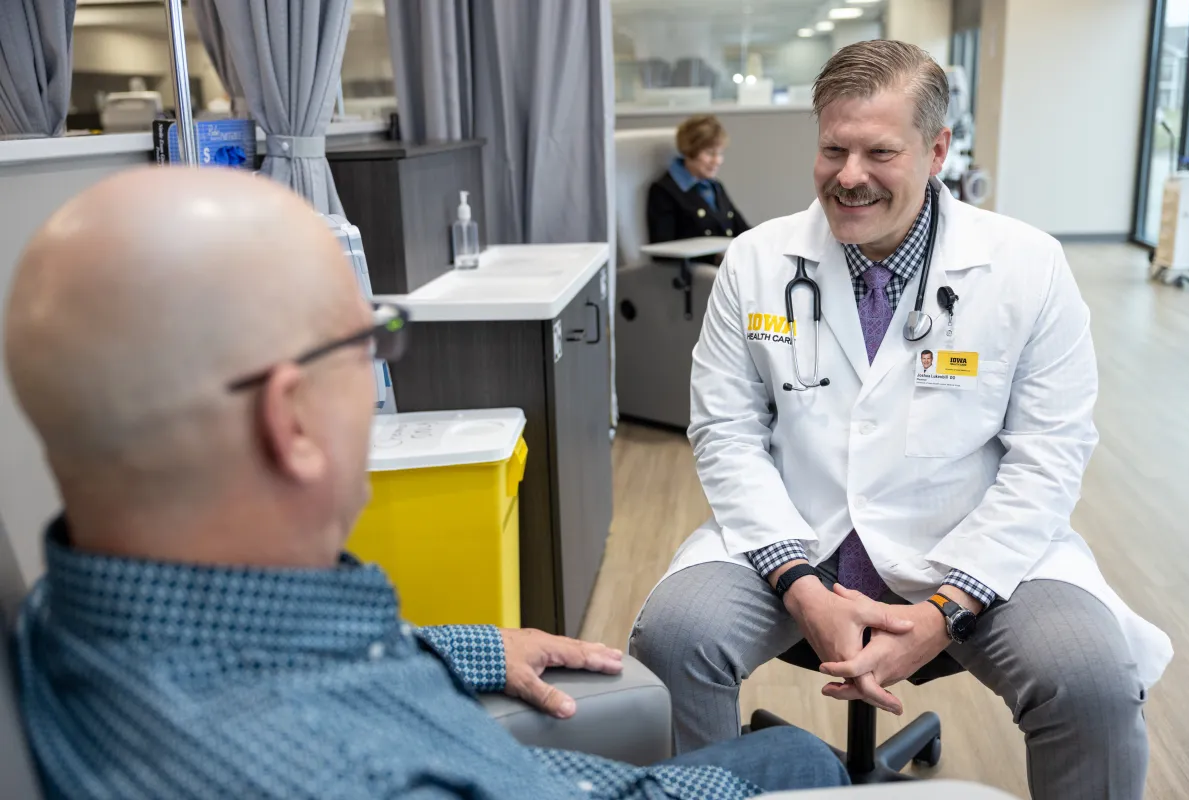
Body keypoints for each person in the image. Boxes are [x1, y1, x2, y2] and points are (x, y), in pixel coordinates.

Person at [5, 167, 850, 799]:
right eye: (367, 341)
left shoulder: (77, 613)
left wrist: (458, 646)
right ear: (289, 421)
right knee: (801, 759)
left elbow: (261, 646)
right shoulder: (336, 776)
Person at [628, 40, 1173, 800]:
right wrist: (799, 584)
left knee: (1091, 681)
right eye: (833, 149)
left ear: (937, 150)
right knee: (674, 639)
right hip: (795, 540)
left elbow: (1050, 454)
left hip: (971, 553)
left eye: (880, 152)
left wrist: (947, 610)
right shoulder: (755, 262)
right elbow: (726, 433)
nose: (849, 175)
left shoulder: (1027, 266)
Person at [647, 114, 751, 263]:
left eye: (720, 153)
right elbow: (663, 252)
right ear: (689, 151)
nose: (717, 161)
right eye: (710, 153)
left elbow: (741, 229)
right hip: (700, 272)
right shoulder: (664, 191)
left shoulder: (714, 186)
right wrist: (715, 257)